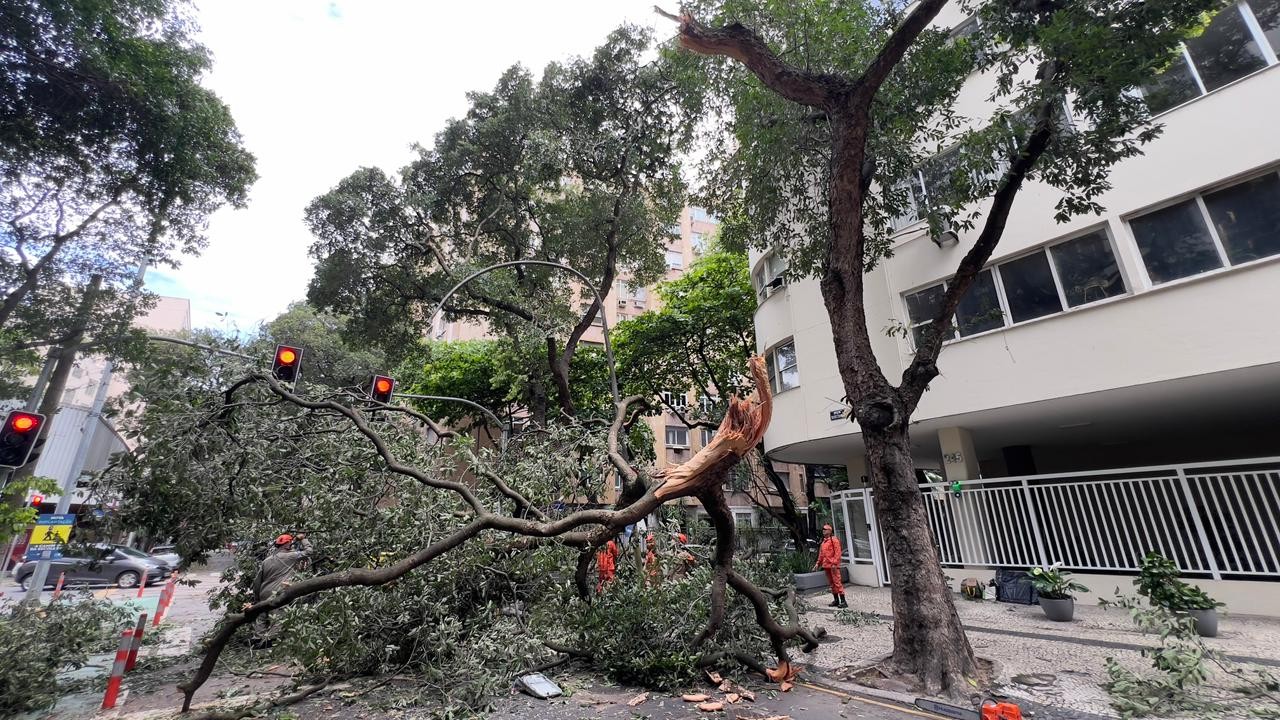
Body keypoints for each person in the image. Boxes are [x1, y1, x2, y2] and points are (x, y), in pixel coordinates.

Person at [247, 533, 311, 647]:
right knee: (277, 616)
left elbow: (257, 581)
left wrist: (256, 598)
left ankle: (257, 638)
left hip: (264, 591)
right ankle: (269, 640)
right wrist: (303, 539)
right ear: (287, 544)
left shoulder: (267, 560)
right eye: (290, 543)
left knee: (262, 614)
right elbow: (309, 551)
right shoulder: (291, 556)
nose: (291, 544)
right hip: (278, 591)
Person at [813, 524, 847, 608]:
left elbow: (838, 553)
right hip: (826, 566)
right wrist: (817, 564)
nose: (823, 530)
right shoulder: (823, 542)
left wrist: (835, 563)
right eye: (823, 529)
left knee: (837, 582)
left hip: (833, 566)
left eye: (825, 529)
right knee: (832, 584)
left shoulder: (834, 540)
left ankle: (843, 601)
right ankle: (836, 600)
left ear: (829, 531)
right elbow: (821, 555)